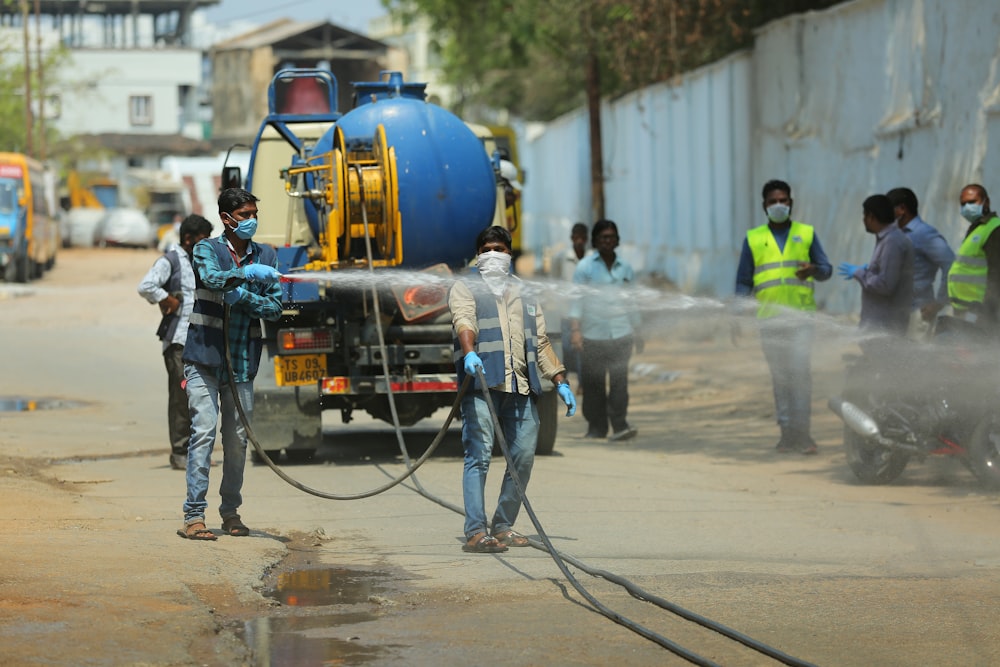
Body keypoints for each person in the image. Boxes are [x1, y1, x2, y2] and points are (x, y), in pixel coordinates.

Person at [449, 225, 576, 554]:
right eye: (488, 249)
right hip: (482, 385)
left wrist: (559, 380)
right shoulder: (466, 286)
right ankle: (476, 531)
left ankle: (503, 526)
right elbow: (464, 321)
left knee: (522, 457)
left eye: (501, 249)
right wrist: (469, 352)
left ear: (510, 254)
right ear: (479, 255)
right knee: (478, 456)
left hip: (521, 386)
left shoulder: (526, 292)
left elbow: (542, 340)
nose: (495, 255)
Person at [177, 188, 282, 541]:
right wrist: (243, 277)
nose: (251, 220)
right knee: (204, 433)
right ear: (227, 219)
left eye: (254, 214)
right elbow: (211, 279)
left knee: (237, 442)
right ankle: (194, 516)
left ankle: (230, 512)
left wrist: (244, 295)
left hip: (241, 363)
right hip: (204, 358)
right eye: (245, 215)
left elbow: (275, 307)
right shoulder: (206, 249)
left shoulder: (266, 254)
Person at [734, 179, 832, 455]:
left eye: (784, 200)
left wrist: (813, 269)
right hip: (770, 320)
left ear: (791, 203)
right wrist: (737, 313)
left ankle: (803, 434)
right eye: (773, 201)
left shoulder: (807, 233)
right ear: (764, 206)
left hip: (801, 319)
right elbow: (743, 281)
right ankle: (787, 433)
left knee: (800, 374)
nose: (779, 205)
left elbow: (826, 270)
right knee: (781, 377)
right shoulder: (753, 238)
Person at [137, 214, 214, 470]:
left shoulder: (204, 262)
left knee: (202, 398)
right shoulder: (171, 261)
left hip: (203, 342)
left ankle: (198, 452)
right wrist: (166, 298)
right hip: (179, 343)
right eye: (203, 239)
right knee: (182, 397)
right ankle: (180, 451)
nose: (207, 244)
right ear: (189, 239)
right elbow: (145, 285)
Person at [568, 219, 641, 442]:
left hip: (621, 334)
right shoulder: (585, 268)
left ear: (617, 240)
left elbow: (633, 302)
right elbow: (576, 301)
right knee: (593, 384)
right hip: (593, 335)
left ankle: (620, 425)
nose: (608, 241)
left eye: (611, 237)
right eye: (603, 238)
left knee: (620, 383)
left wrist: (638, 331)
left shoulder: (625, 268)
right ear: (596, 241)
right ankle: (596, 427)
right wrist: (576, 331)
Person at [838, 194, 915, 337]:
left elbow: (885, 285)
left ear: (871, 216)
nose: (863, 220)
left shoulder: (892, 242)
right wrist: (868, 271)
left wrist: (859, 273)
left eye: (864, 215)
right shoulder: (888, 239)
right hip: (880, 326)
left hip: (886, 329)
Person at [886, 187, 954, 339]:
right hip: (896, 312)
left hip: (917, 313)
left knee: (914, 360)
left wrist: (939, 302)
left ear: (902, 209)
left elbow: (950, 263)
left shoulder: (924, 234)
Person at [946, 183, 1000, 333]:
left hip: (979, 310)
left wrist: (988, 310)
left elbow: (996, 272)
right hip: (965, 309)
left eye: (972, 202)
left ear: (986, 202)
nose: (967, 207)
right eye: (963, 204)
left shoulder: (994, 229)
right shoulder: (977, 229)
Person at [558, 222, 589, 384]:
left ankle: (583, 382)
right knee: (566, 347)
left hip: (586, 312)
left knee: (583, 349)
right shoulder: (564, 258)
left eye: (582, 238)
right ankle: (565, 379)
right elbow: (554, 280)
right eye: (576, 237)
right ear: (572, 238)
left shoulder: (590, 258)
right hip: (566, 311)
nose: (579, 241)